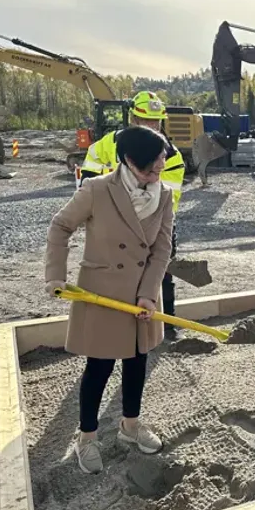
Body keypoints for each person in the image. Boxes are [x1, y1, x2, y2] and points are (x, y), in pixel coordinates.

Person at [45, 125, 174, 474]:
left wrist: (149, 294)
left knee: (137, 364)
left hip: (141, 296)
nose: (156, 174)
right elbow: (60, 227)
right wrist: (55, 275)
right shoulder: (97, 190)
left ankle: (130, 428)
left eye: (160, 167)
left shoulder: (163, 196)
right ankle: (87, 438)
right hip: (102, 294)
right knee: (99, 368)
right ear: (130, 161)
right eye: (151, 168)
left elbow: (162, 250)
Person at [81, 90, 185, 341]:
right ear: (133, 118)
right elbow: (88, 177)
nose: (151, 126)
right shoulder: (108, 144)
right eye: (145, 120)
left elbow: (167, 198)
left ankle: (165, 325)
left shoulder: (170, 155)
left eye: (155, 121)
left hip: (153, 225)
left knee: (161, 273)